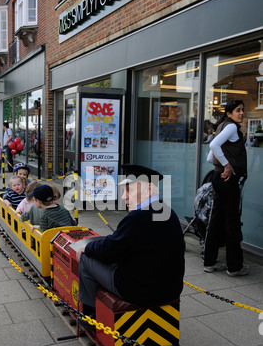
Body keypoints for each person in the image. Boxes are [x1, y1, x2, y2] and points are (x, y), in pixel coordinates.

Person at [76, 164, 185, 318]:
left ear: (147, 189)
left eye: (129, 190)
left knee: (86, 260)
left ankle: (93, 315)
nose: (123, 197)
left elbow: (109, 251)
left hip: (139, 291)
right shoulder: (168, 212)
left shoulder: (138, 217)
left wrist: (87, 248)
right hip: (170, 289)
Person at [204, 99, 249, 277]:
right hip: (228, 180)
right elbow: (213, 146)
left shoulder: (222, 126)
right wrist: (227, 166)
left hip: (218, 178)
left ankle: (209, 262)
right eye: (238, 110)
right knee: (232, 222)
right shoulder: (230, 127)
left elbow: (209, 157)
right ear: (229, 113)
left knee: (216, 220)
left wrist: (221, 165)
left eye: (242, 110)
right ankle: (234, 267)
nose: (241, 113)